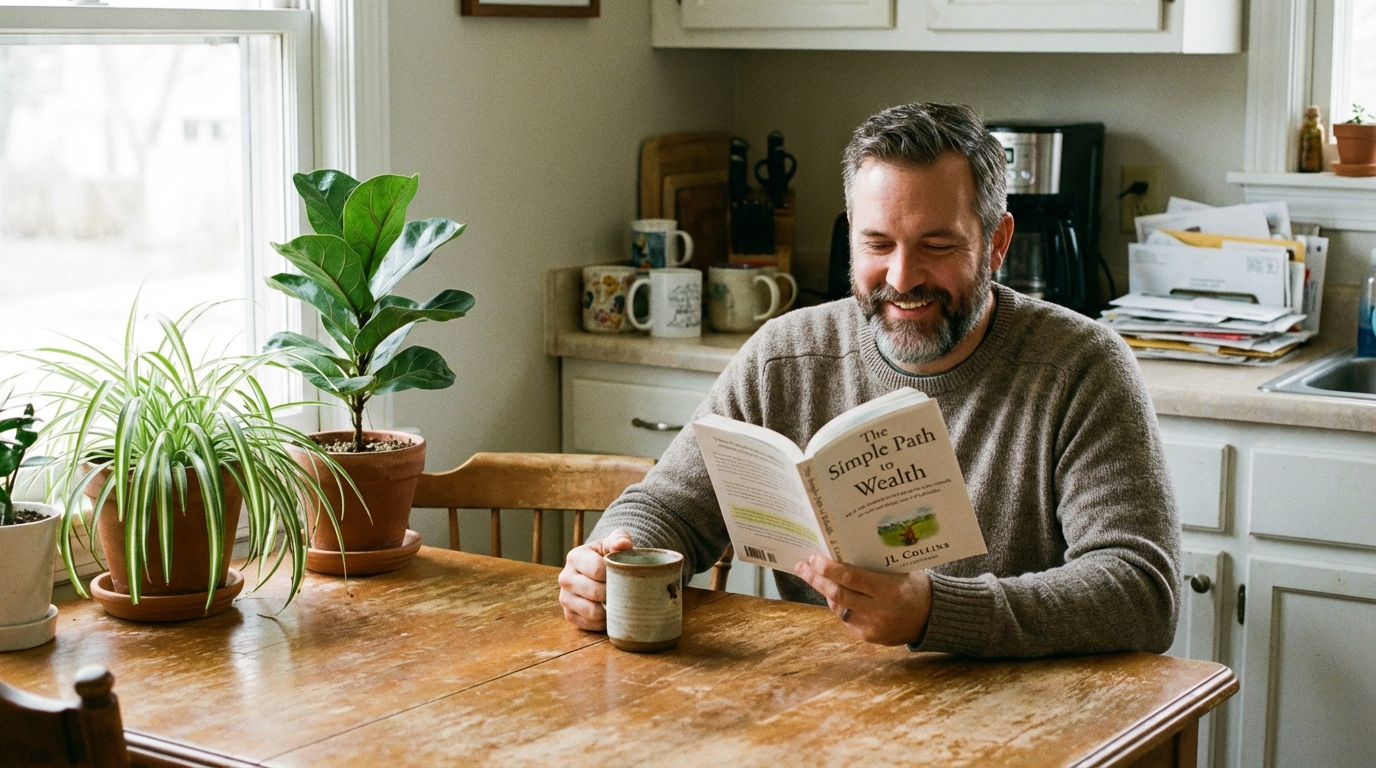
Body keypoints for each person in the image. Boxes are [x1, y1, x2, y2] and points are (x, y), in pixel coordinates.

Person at [559, 103, 1180, 658]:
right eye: (877, 243)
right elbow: (671, 504)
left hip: (1027, 718)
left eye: (936, 245)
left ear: (996, 245)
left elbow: (1140, 590)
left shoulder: (1082, 366)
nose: (903, 277)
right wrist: (611, 557)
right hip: (823, 706)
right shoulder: (785, 355)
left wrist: (938, 612)